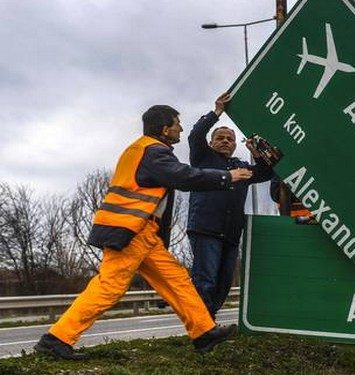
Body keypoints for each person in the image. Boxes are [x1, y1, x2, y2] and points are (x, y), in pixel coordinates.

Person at [34, 97, 242, 360]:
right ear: (165, 129)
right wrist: (227, 176)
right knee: (110, 286)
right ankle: (57, 339)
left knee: (177, 281)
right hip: (130, 230)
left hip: (144, 233)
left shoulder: (146, 150)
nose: (180, 129)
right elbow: (183, 176)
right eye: (177, 124)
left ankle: (203, 332)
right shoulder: (153, 151)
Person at [187, 93, 273, 320]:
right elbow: (195, 135)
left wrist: (258, 154)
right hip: (206, 229)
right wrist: (216, 112)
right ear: (211, 142)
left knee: (224, 282)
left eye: (230, 139)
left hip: (232, 233)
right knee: (205, 279)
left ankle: (208, 321)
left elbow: (266, 172)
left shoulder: (242, 167)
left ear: (236, 145)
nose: (225, 141)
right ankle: (201, 327)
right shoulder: (203, 158)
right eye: (220, 137)